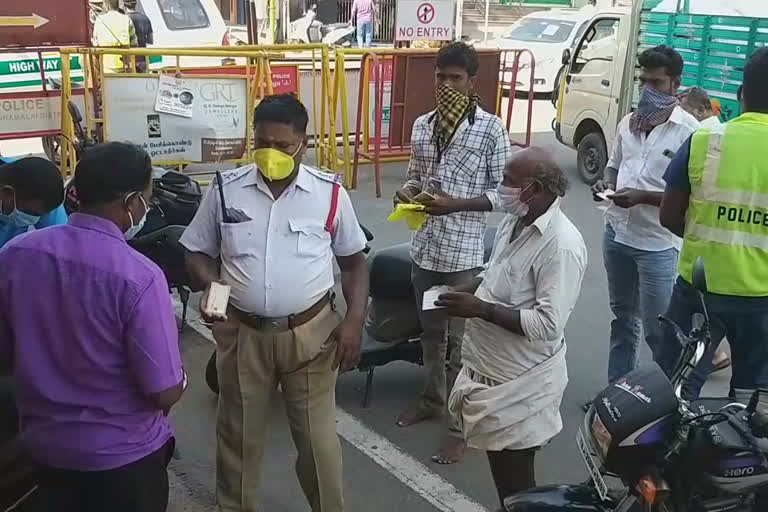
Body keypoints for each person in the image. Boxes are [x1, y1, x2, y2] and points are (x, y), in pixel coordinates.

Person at [180, 94, 369, 512]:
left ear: (304, 142)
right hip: (243, 335)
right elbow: (197, 252)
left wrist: (354, 320)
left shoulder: (329, 193)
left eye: (282, 145)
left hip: (311, 337)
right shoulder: (226, 190)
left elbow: (354, 264)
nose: (271, 153)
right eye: (262, 142)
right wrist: (214, 292)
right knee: (238, 441)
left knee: (318, 446)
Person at [0, 142, 184, 512]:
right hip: (123, 460)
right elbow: (162, 390)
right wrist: (180, 380)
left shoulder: (17, 254)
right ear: (133, 203)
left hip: (45, 451)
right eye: (146, 199)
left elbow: (5, 355)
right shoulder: (140, 277)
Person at [442, 147, 587, 508]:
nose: (501, 187)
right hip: (490, 371)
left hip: (520, 384)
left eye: (508, 181)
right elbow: (495, 275)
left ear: (534, 188)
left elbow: (548, 325)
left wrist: (481, 309)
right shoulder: (515, 220)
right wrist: (468, 291)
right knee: (506, 479)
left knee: (517, 485)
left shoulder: (561, 245)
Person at [393, 41, 512, 465]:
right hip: (425, 249)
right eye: (440, 76)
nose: (445, 84)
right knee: (431, 334)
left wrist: (456, 204)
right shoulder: (423, 124)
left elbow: (505, 194)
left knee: (462, 345)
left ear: (471, 82)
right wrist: (405, 193)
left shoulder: (490, 129)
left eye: (454, 78)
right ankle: (431, 398)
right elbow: (413, 176)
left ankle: (461, 427)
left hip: (463, 255)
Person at [659, 47, 768, 402]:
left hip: (698, 292)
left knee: (673, 390)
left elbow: (669, 216)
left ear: (741, 93)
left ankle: (666, 455)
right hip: (761, 301)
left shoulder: (705, 140)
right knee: (752, 401)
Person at [591, 45, 699, 386]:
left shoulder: (691, 133)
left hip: (658, 245)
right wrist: (604, 184)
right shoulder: (629, 122)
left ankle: (668, 401)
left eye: (656, 83)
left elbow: (694, 198)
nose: (647, 91)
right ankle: (618, 392)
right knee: (623, 319)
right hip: (617, 235)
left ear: (675, 84)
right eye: (642, 82)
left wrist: (642, 198)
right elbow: (614, 166)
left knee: (658, 330)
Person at [0, 156, 67, 249]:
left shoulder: (40, 185)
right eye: (30, 213)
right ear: (6, 192)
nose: (31, 219)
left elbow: (62, 242)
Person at [93, 0, 139, 72]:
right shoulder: (127, 19)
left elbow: (95, 44)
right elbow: (134, 44)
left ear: (106, 5)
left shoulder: (99, 20)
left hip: (106, 68)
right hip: (125, 67)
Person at [125, 1, 153, 72]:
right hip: (143, 59)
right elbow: (151, 40)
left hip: (128, 59)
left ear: (124, 6)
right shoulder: (145, 18)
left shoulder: (123, 19)